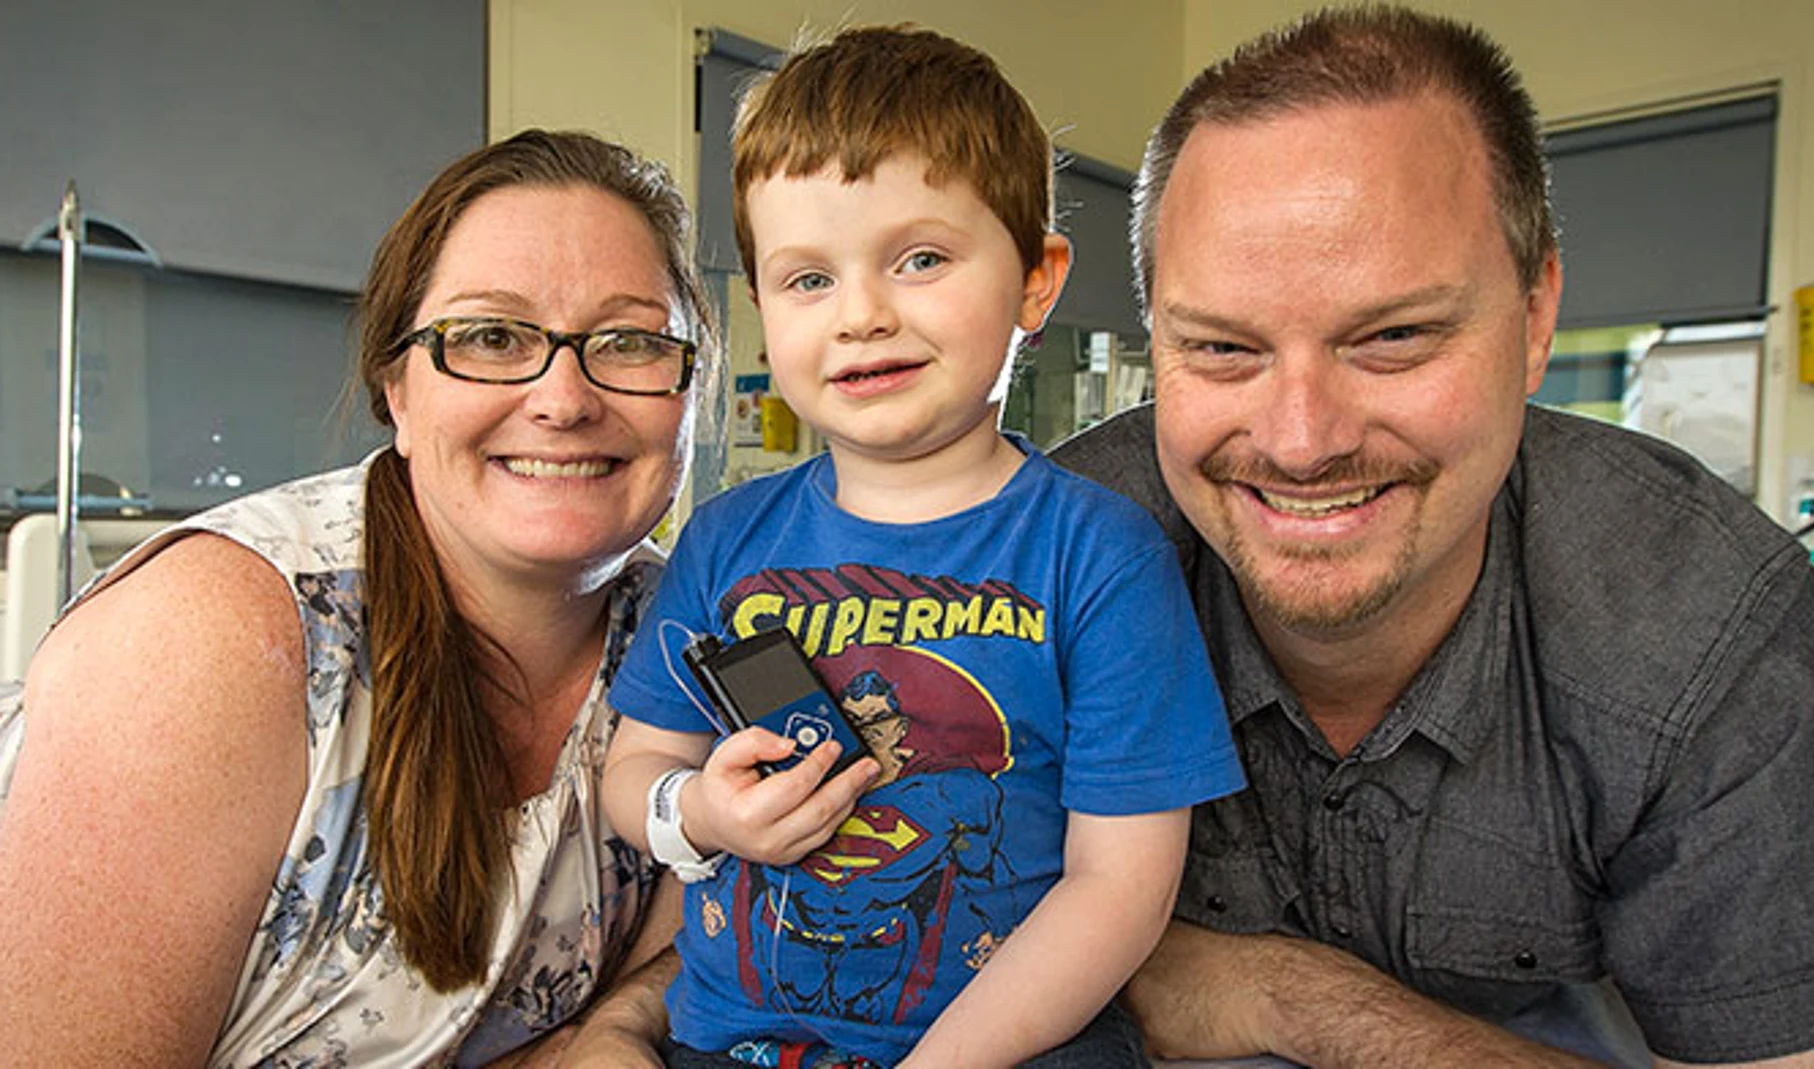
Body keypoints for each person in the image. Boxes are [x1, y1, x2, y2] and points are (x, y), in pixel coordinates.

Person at [1050, 6, 1814, 1067]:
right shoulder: (1047, 560)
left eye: (1393, 336)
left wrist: (1297, 1001)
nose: (1301, 440)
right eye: (1221, 347)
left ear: (1536, 316)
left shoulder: (1707, 627)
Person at [600, 25, 1244, 1069]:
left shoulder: (1101, 555)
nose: (861, 314)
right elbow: (634, 769)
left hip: (1017, 1047)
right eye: (808, 279)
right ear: (761, 308)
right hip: (735, 1042)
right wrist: (702, 812)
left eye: (921, 259)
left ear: (1036, 282)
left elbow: (1120, 886)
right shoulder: (722, 540)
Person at [0, 129, 713, 1066]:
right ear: (398, 392)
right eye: (492, 337)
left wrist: (619, 1024)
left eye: (627, 341)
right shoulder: (213, 642)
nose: (564, 397)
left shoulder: (689, 632)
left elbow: (704, 935)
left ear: (691, 389)